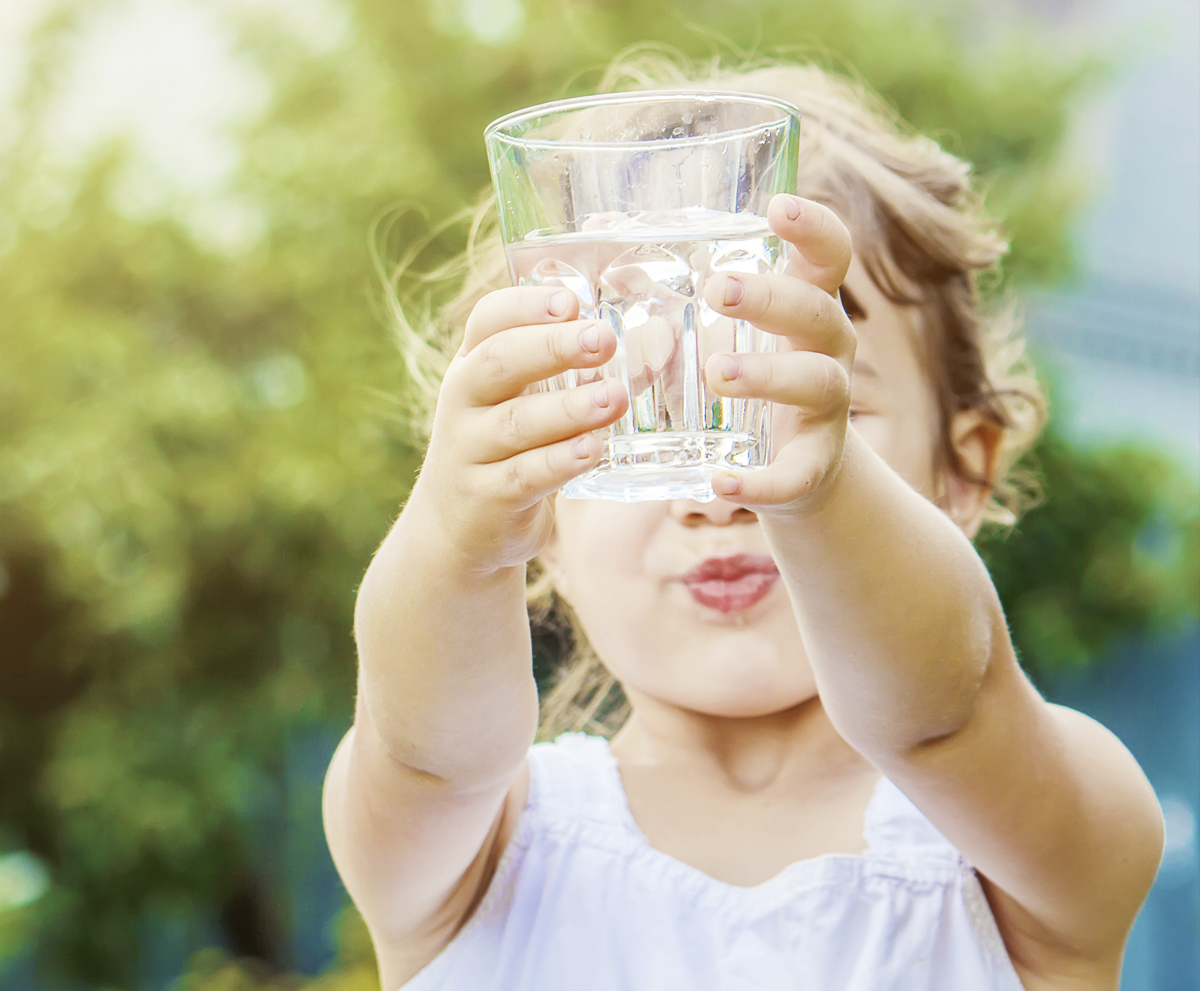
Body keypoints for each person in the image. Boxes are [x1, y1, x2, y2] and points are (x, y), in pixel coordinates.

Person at [322, 57, 1164, 991]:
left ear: (964, 470)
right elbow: (423, 750)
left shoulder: (1030, 843)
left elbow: (943, 713)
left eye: (806, 396)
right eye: (639, 407)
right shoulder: (477, 849)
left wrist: (824, 492)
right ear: (541, 525)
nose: (722, 489)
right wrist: (452, 538)